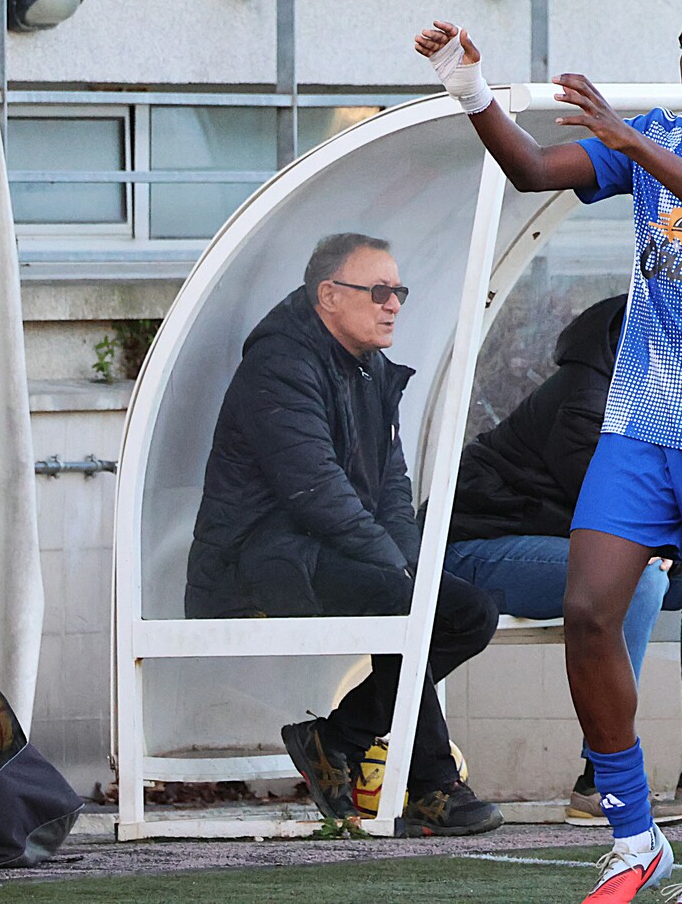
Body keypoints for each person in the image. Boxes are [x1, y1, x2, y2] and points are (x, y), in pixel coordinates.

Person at [416, 0, 682, 903]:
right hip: (642, 420)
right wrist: (469, 86)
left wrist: (636, 146)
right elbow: (531, 167)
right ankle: (635, 834)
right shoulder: (653, 134)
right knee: (590, 606)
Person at [184, 232, 504, 838]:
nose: (394, 304)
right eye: (379, 291)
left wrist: (408, 563)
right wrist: (395, 571)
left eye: (399, 291)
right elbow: (317, 491)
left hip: (319, 552)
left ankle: (339, 737)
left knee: (469, 613)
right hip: (250, 562)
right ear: (329, 296)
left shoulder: (371, 368)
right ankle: (433, 786)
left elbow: (392, 488)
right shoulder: (280, 365)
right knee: (400, 597)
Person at [440, 295, 682, 827]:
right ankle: (600, 783)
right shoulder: (589, 400)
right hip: (475, 551)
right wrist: (663, 548)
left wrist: (680, 549)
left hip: (546, 545)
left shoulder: (660, 398)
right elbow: (613, 510)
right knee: (635, 583)